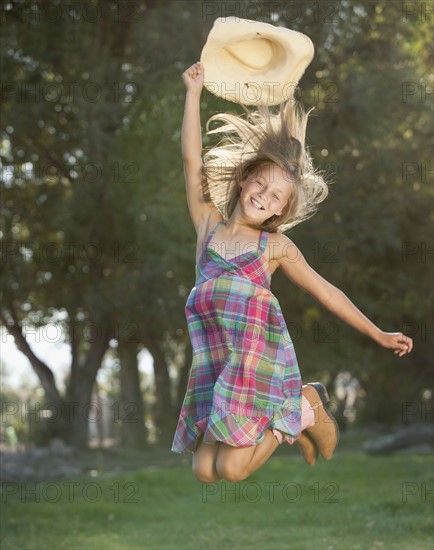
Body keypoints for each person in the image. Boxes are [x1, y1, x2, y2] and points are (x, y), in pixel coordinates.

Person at [171, 62, 413, 484]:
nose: (265, 198)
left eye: (276, 197)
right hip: (216, 364)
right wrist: (193, 93)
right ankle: (299, 414)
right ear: (245, 181)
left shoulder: (275, 246)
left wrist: (378, 333)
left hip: (256, 364)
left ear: (284, 209)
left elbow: (327, 292)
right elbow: (192, 160)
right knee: (205, 473)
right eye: (260, 187)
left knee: (231, 470)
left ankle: (302, 409)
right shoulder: (208, 226)